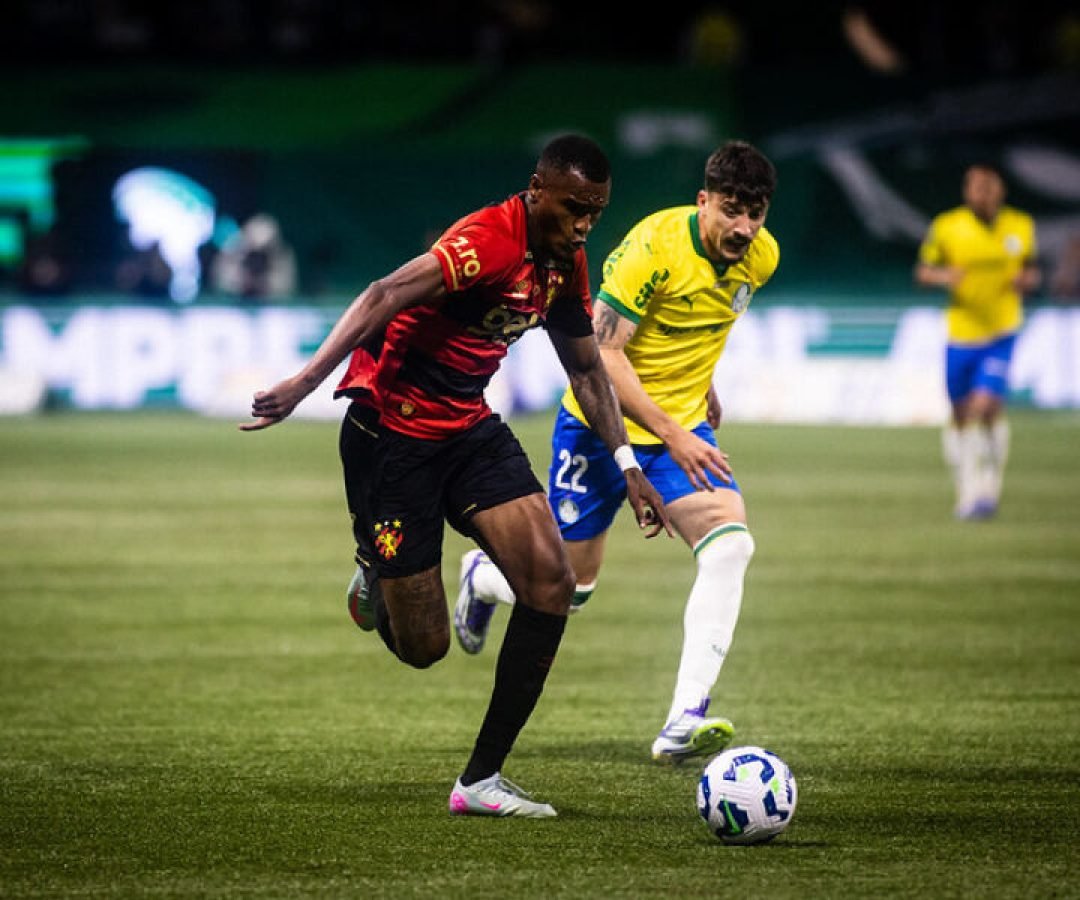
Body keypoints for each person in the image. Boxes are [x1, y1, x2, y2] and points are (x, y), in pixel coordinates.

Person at [240, 134, 672, 818]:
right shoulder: (487, 242)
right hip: (391, 438)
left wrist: (629, 464)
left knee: (553, 583)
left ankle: (480, 782)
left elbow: (587, 369)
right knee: (425, 649)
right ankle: (373, 567)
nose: (586, 223)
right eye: (574, 207)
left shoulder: (566, 263)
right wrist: (302, 384)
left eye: (596, 210)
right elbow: (383, 293)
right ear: (538, 191)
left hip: (467, 428)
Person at [454, 139, 779, 764]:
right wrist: (672, 429)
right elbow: (602, 356)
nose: (743, 227)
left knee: (731, 546)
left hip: (681, 432)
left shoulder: (760, 259)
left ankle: (684, 718)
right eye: (732, 210)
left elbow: (702, 324)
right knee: (572, 589)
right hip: (599, 430)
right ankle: (484, 578)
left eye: (756, 214)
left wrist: (699, 390)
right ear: (703, 200)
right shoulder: (651, 251)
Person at [914, 161, 1040, 520]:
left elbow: (1031, 266)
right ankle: (966, 486)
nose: (982, 194)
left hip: (1001, 332)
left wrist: (1027, 280)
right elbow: (923, 272)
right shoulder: (948, 227)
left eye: (988, 186)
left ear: (1000, 189)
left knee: (984, 407)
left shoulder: (1020, 226)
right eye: (975, 187)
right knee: (959, 415)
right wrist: (943, 276)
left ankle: (986, 486)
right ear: (967, 191)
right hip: (961, 334)